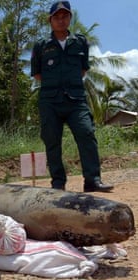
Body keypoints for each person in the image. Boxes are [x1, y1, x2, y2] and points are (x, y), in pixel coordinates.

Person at [30, 1, 113, 193]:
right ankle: (58, 183)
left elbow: (83, 70)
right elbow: (37, 74)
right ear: (50, 20)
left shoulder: (80, 42)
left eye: (64, 16)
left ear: (70, 18)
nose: (61, 20)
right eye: (56, 17)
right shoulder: (41, 46)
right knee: (52, 140)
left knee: (86, 133)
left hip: (76, 100)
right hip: (50, 101)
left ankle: (92, 180)